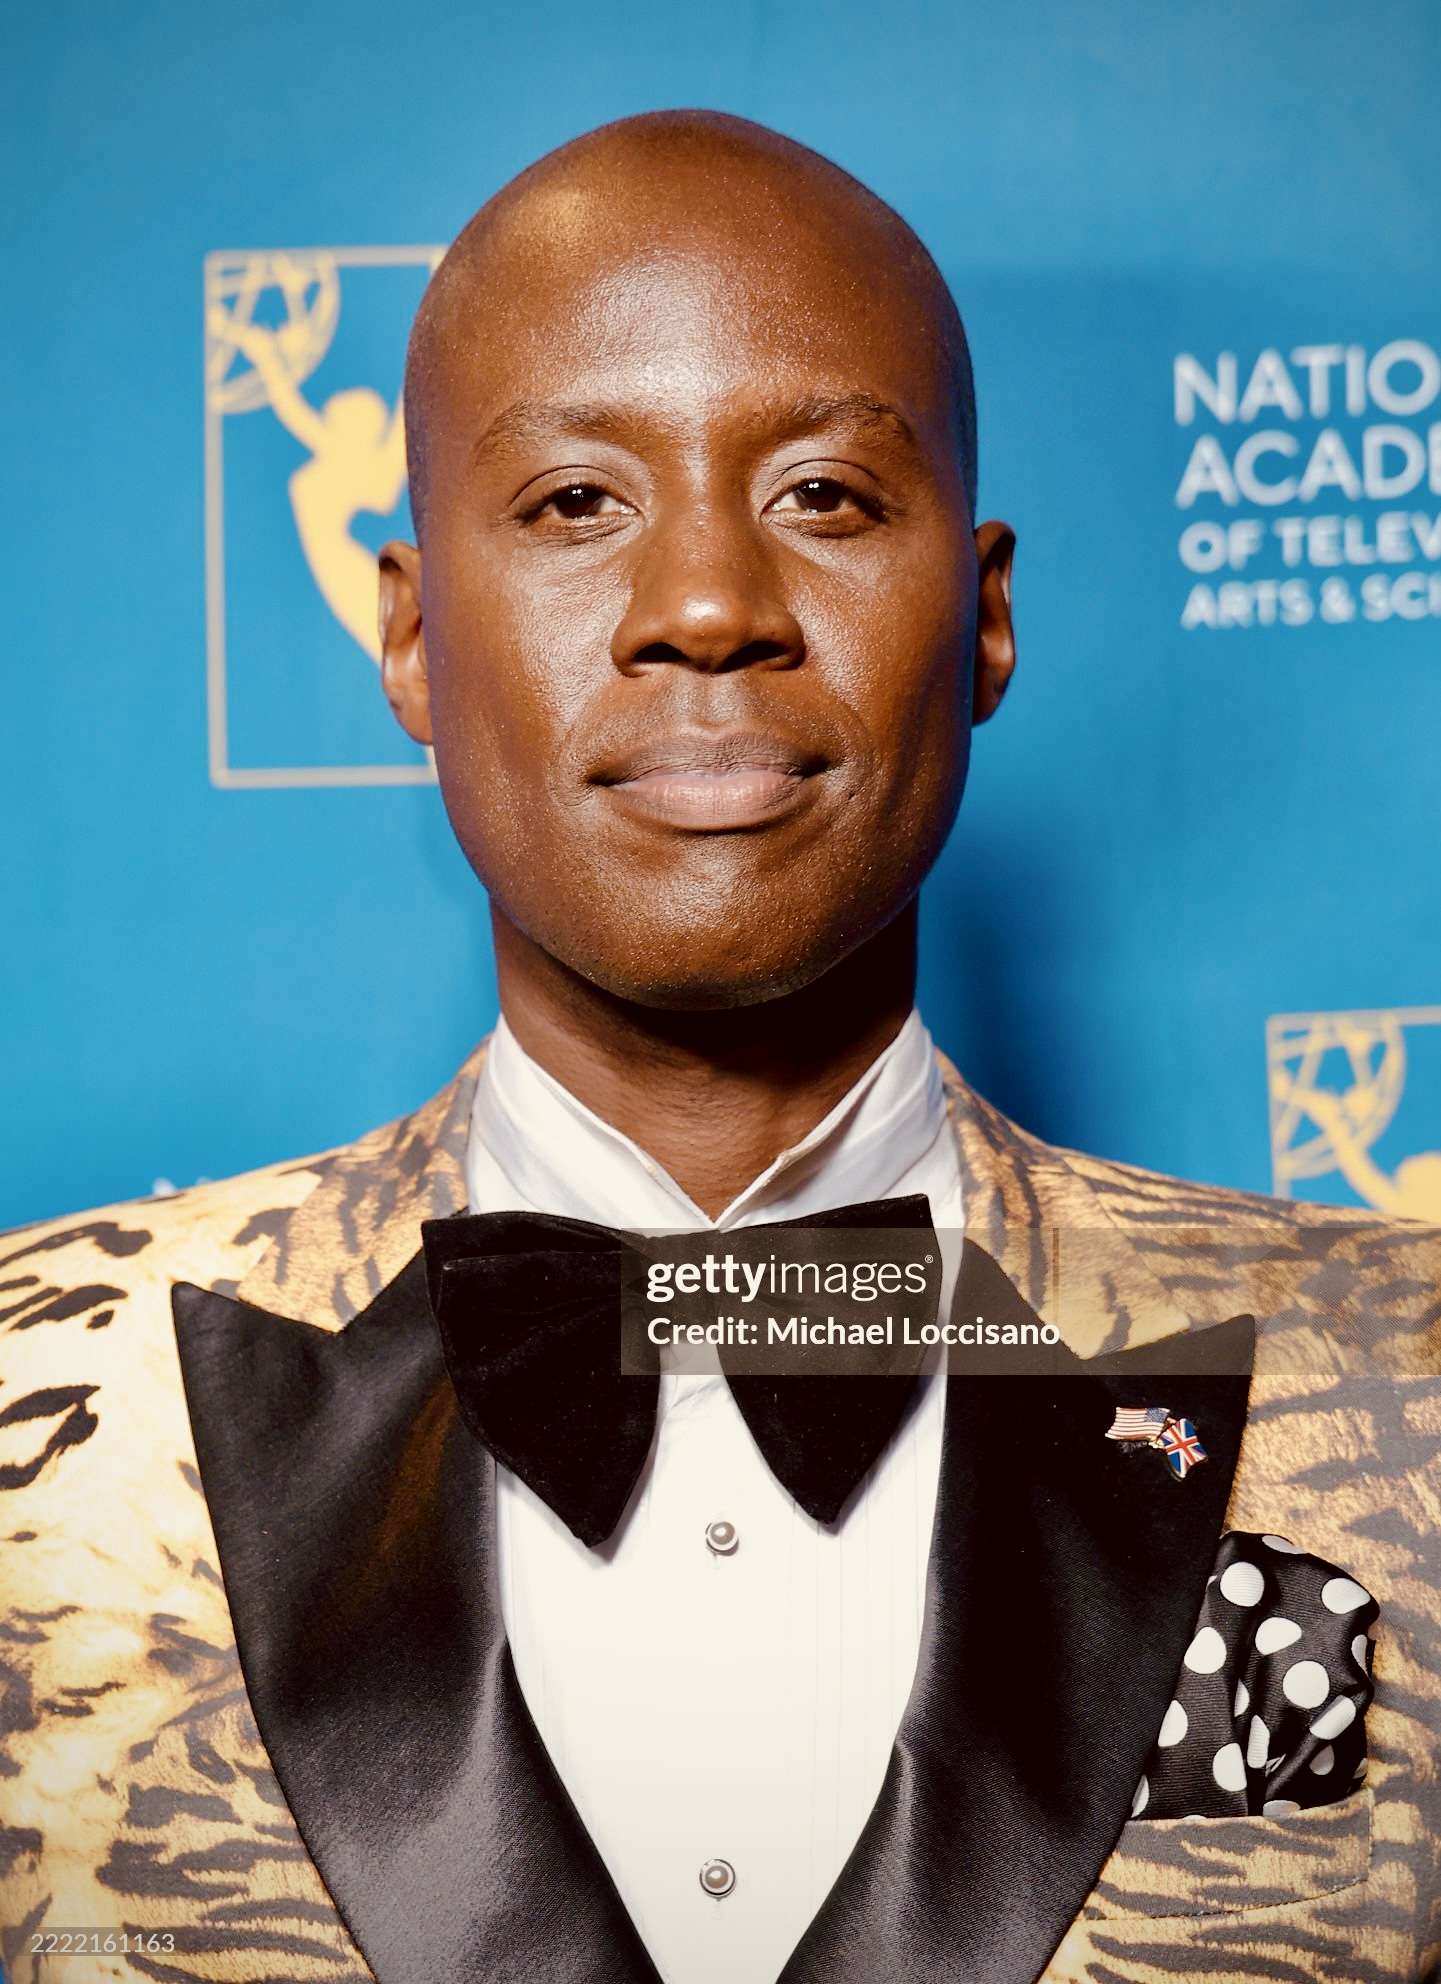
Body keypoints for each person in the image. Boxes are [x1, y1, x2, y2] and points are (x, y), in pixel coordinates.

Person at [2, 111, 1437, 1984]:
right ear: (414, 637)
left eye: (826, 497)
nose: (705, 608)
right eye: (575, 502)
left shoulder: (1409, 1375)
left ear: (984, 617)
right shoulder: (32, 1417)